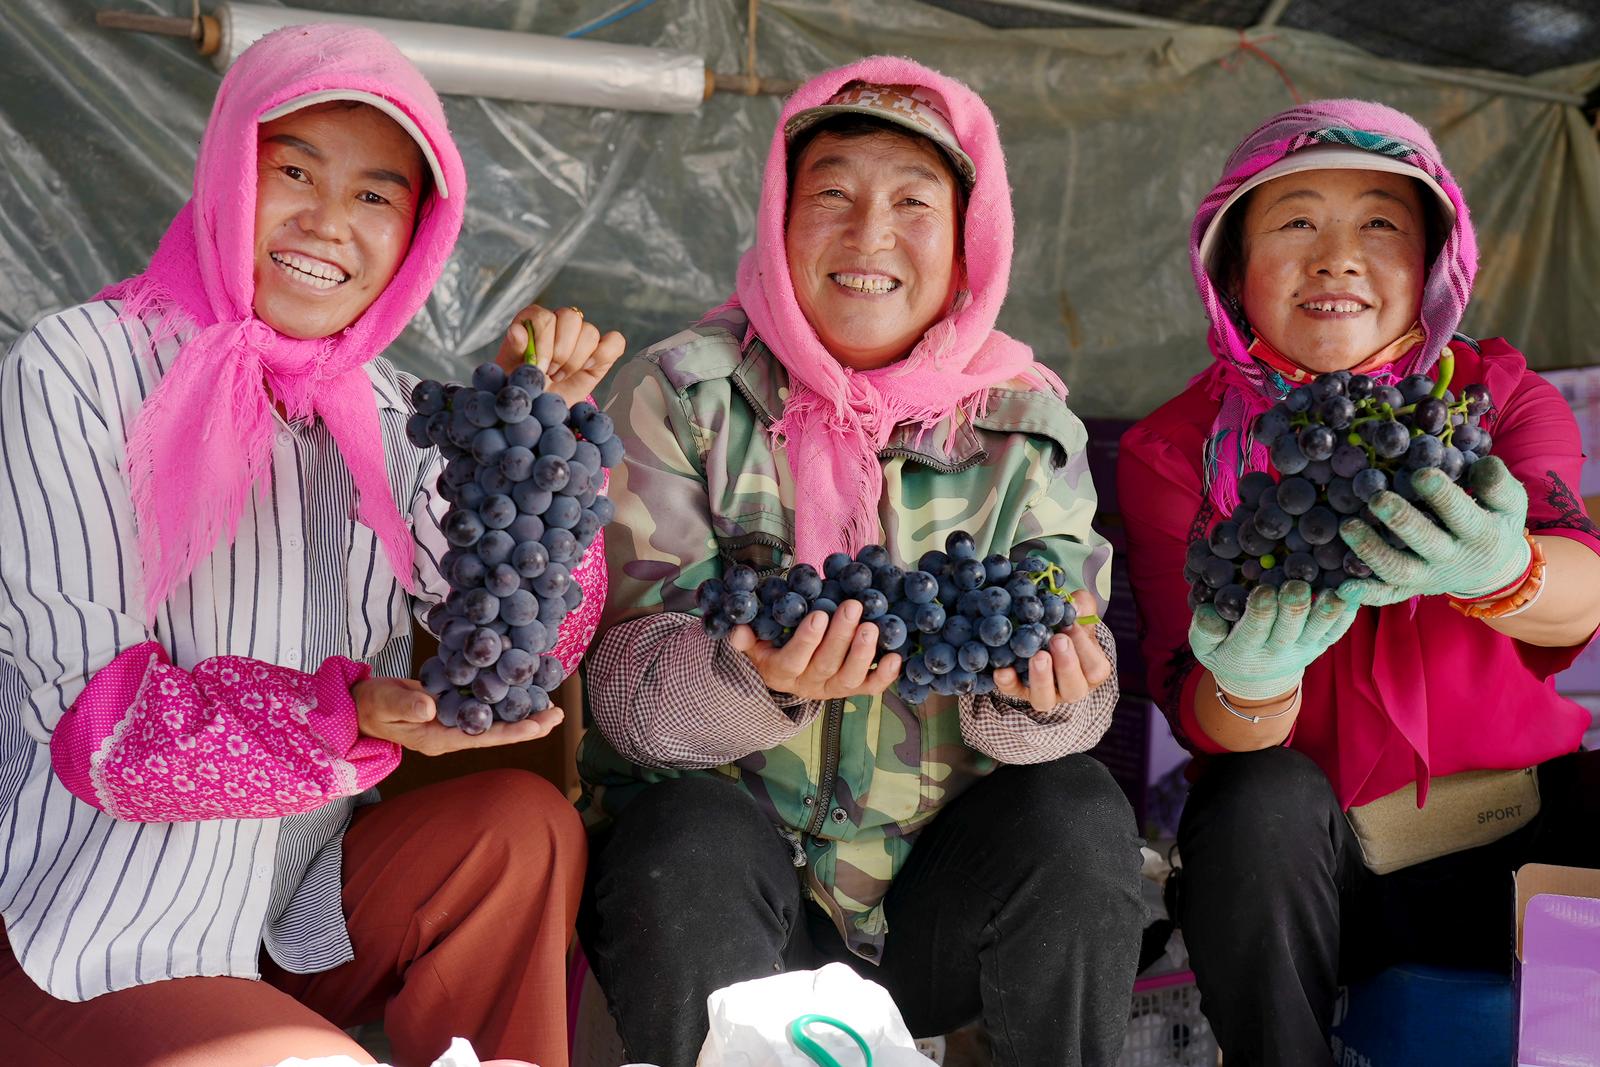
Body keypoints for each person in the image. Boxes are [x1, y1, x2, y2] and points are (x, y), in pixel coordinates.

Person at [0, 24, 624, 1067]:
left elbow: (525, 637)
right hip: (93, 934)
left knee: (519, 826)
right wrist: (327, 721)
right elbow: (94, 725)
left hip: (289, 919)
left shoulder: (388, 412)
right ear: (227, 177)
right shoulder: (80, 367)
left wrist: (538, 452)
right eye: (292, 169)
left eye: (377, 195)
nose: (329, 221)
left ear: (418, 231)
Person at [577, 57, 1145, 1067]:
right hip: (729, 902)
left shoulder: (1027, 430)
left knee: (1078, 810)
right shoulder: (684, 397)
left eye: (913, 202)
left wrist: (1043, 702)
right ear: (777, 217)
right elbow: (620, 695)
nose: (869, 234)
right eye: (831, 192)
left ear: (969, 237)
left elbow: (1079, 660)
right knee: (685, 835)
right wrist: (749, 675)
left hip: (937, 908)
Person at [1118, 100, 1600, 1067]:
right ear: (1232, 270)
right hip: (1313, 870)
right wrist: (1252, 680)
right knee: (1256, 800)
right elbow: (1199, 706)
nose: (1338, 256)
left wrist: (1503, 571)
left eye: (1380, 222)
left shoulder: (1495, 396)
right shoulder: (1176, 450)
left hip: (1519, 833)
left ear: (1432, 263)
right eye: (1296, 220)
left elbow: (1584, 591)